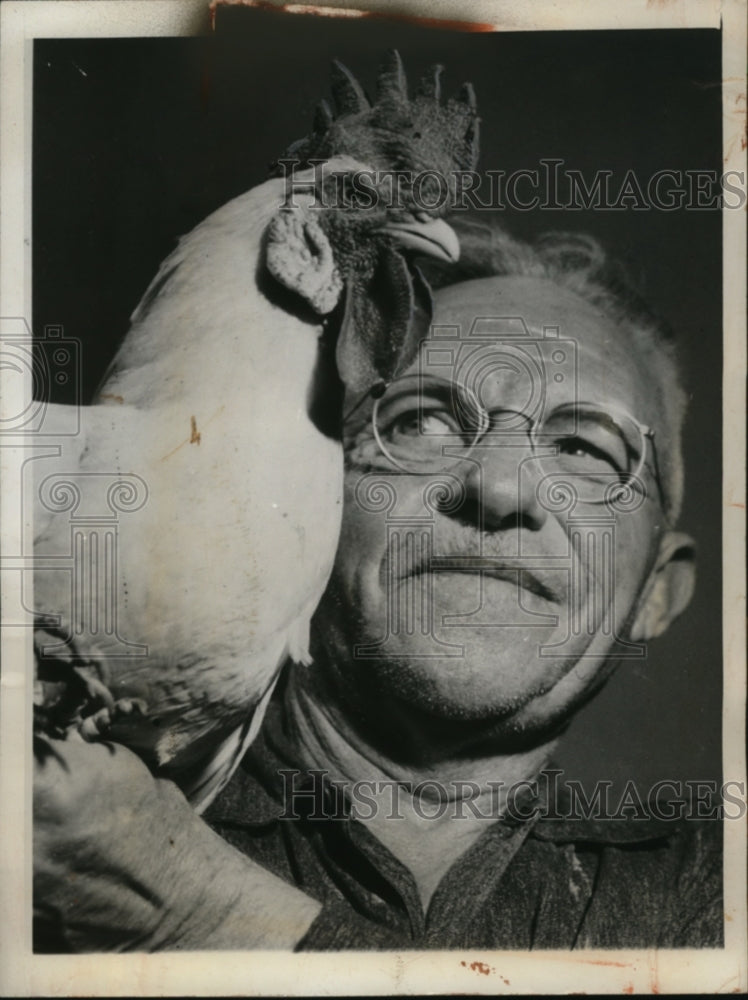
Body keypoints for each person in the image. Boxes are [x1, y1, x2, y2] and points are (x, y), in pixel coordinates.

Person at [33, 221, 722, 951]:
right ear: (308, 496)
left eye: (584, 448)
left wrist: (195, 913)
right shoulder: (40, 809)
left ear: (658, 592)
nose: (495, 486)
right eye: (422, 421)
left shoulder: (717, 889)